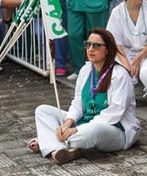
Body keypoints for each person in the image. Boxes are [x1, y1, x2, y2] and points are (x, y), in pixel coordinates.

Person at [29, 29, 138, 164]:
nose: (91, 49)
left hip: (113, 129)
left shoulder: (120, 75)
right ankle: (61, 148)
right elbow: (78, 103)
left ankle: (48, 141)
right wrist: (68, 123)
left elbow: (115, 113)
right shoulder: (85, 70)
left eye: (97, 45)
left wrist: (77, 129)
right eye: (88, 44)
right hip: (84, 123)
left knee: (91, 131)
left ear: (108, 50)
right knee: (42, 111)